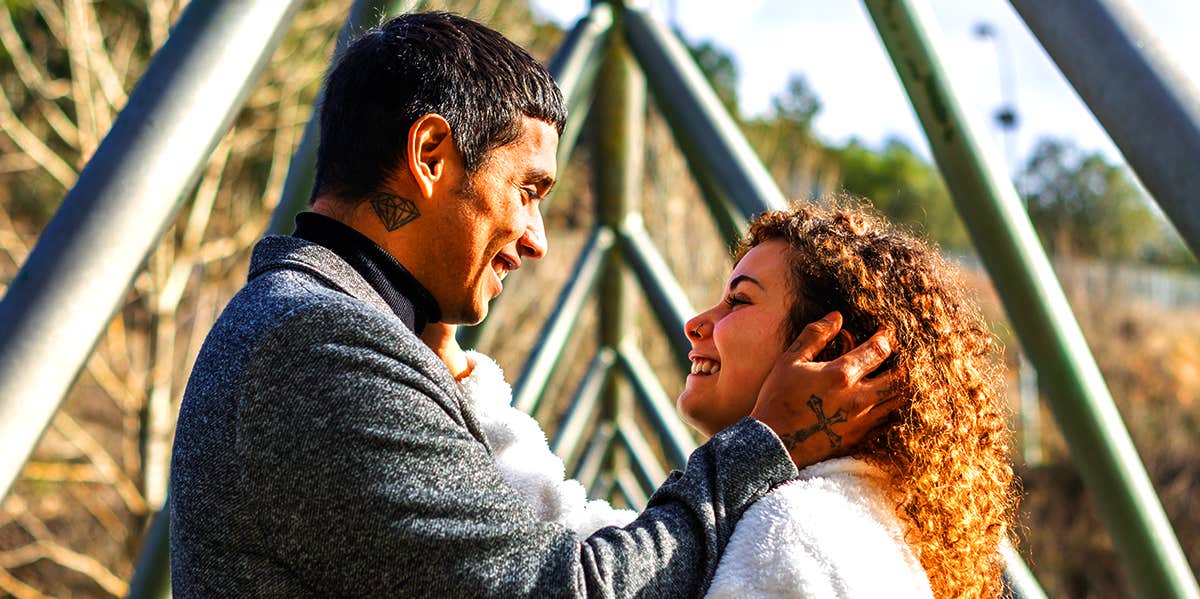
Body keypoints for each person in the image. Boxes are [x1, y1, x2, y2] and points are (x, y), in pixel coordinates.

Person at [168, 12, 901, 597]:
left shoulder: (322, 326)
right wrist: (763, 442)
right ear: (429, 155)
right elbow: (572, 589)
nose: (538, 240)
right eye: (528, 190)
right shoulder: (319, 345)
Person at [442, 202, 1018, 597]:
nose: (696, 323)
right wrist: (462, 379)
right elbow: (596, 558)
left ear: (828, 354)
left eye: (738, 301)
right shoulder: (853, 528)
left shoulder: (798, 535)